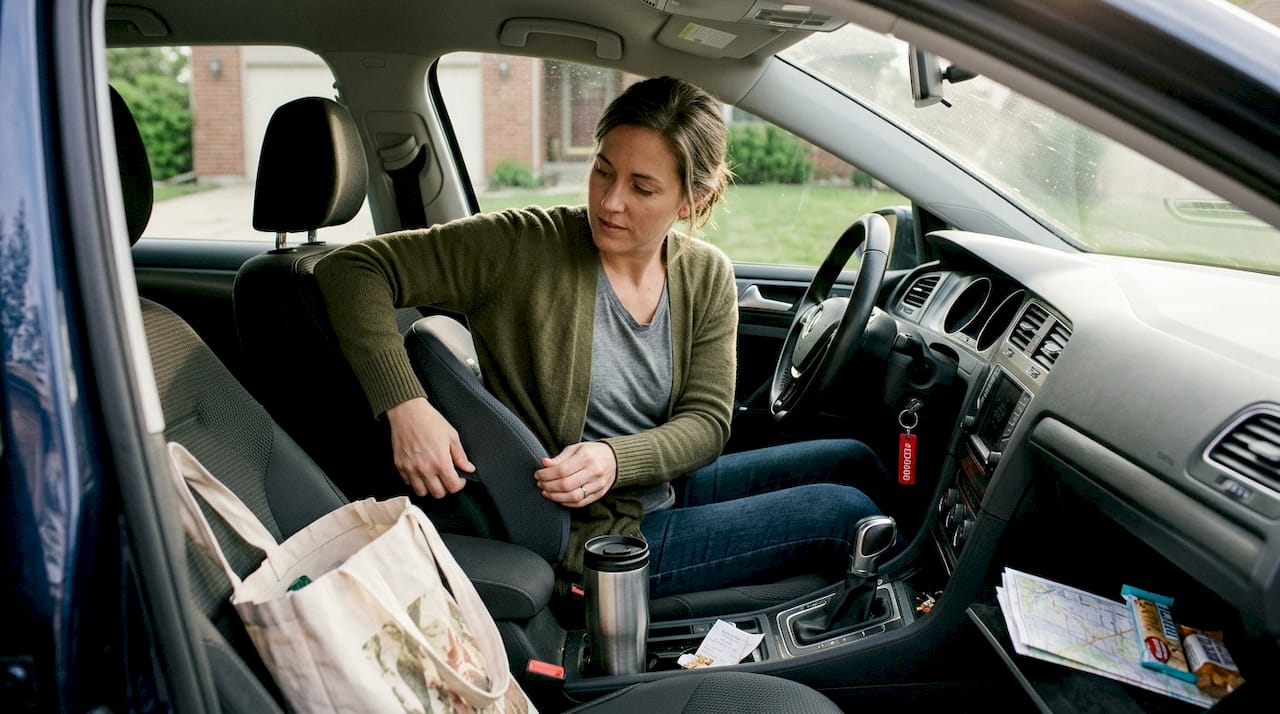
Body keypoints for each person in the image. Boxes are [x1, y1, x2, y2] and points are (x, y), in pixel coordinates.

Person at [314, 76, 891, 599]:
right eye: (603, 170)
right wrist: (405, 404)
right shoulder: (521, 245)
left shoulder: (706, 273)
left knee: (857, 460)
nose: (610, 201)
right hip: (596, 536)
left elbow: (709, 422)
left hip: (655, 487)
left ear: (693, 199)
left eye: (642, 187)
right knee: (846, 511)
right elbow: (353, 269)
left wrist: (617, 459)